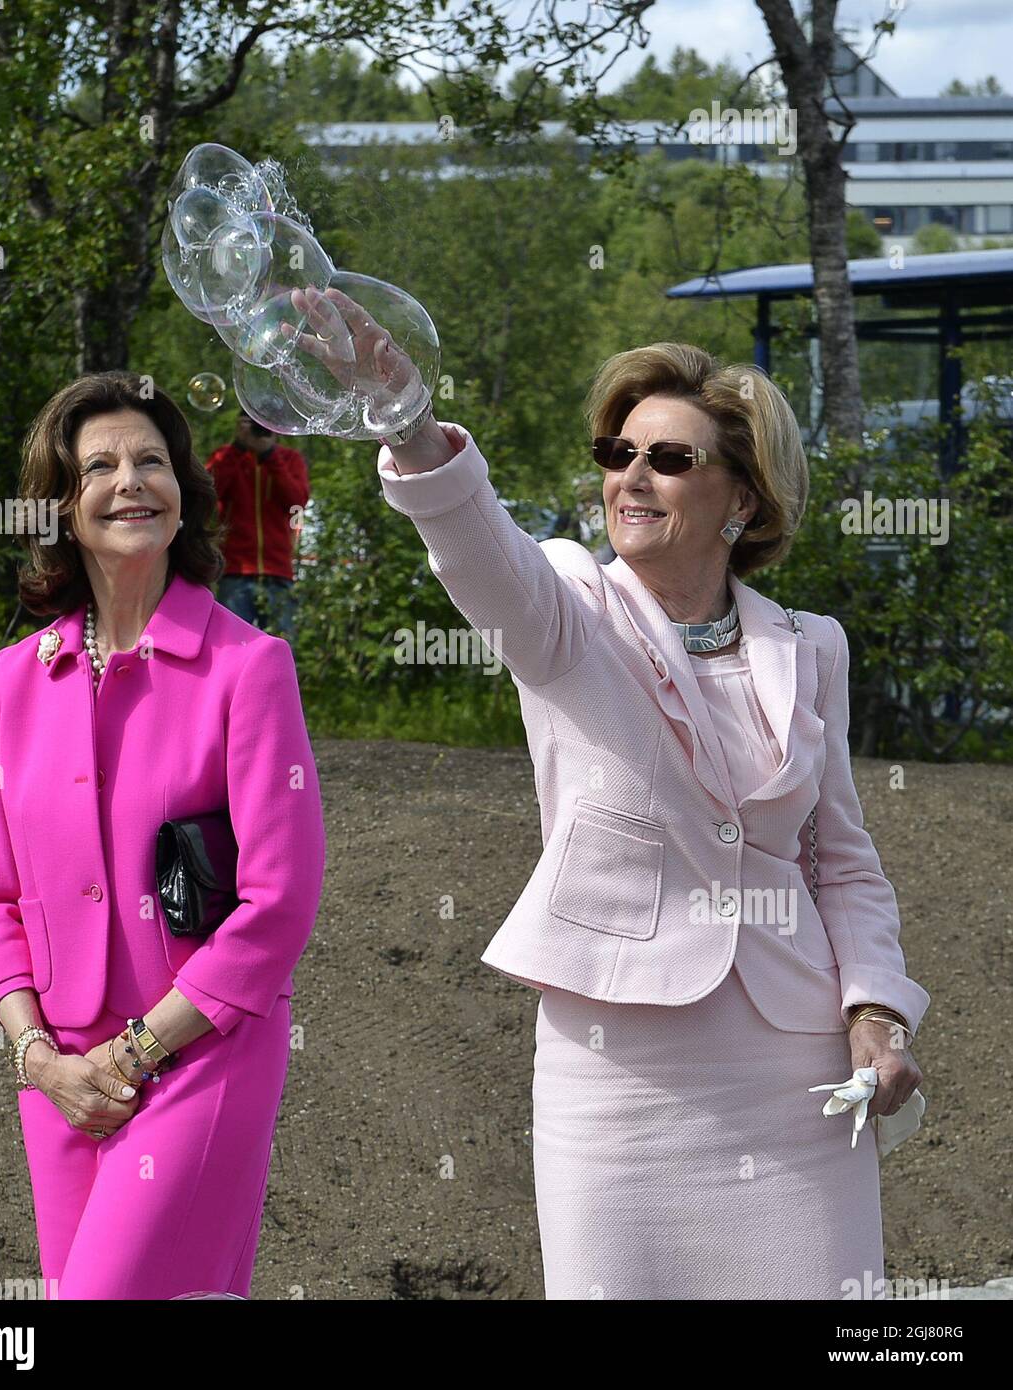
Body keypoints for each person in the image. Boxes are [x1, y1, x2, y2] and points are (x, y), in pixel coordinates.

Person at [290, 287, 928, 1300]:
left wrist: (875, 1012)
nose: (630, 477)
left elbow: (836, 859)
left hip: (796, 1079)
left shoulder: (812, 646)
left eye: (668, 459)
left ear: (743, 500)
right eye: (615, 453)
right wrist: (404, 416)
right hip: (616, 1081)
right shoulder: (566, 607)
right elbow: (476, 551)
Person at [0, 371, 326, 1300]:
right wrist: (40, 1058)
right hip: (60, 1075)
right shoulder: (10, 682)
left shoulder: (251, 667)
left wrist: (133, 1054)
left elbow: (278, 905)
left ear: (182, 491)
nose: (131, 481)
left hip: (200, 1057)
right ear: (62, 506)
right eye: (102, 466)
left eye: (152, 460)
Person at [205, 413, 309, 651]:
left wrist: (270, 455)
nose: (258, 430)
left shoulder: (289, 459)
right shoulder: (227, 457)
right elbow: (210, 492)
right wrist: (239, 446)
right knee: (231, 650)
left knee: (281, 649)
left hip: (278, 573)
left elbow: (296, 502)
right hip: (236, 572)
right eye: (252, 424)